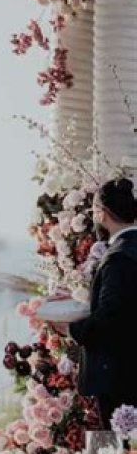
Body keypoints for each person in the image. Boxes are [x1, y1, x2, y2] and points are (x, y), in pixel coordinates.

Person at [67, 177, 137, 430]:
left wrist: (71, 328)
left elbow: (111, 315)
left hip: (120, 373)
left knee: (119, 446)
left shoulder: (118, 257)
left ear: (102, 213)